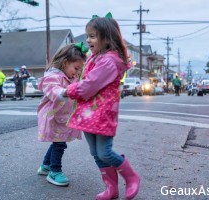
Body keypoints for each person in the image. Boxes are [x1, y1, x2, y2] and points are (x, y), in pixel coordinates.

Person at [65, 13, 140, 200]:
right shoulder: (97, 57)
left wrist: (69, 90)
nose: (88, 40)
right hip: (89, 112)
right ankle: (111, 189)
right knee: (95, 153)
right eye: (87, 35)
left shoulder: (109, 60)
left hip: (102, 112)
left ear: (107, 38)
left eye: (93, 36)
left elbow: (90, 84)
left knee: (104, 152)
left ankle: (131, 177)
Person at [37, 42, 87, 186]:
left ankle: (46, 166)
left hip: (63, 116)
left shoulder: (72, 77)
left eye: (80, 69)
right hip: (53, 116)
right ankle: (54, 171)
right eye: (76, 68)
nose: (77, 72)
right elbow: (53, 90)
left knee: (58, 141)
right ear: (65, 62)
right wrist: (65, 91)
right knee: (59, 143)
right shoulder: (53, 76)